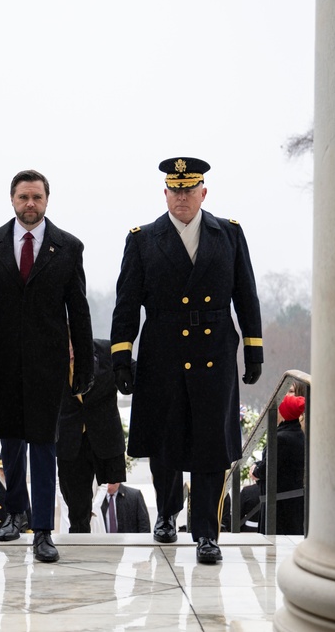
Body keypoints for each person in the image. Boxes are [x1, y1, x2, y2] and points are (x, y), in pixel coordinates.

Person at [110, 157, 263, 565]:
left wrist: (254, 348)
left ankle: (207, 534)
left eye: (189, 189)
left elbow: (245, 295)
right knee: (166, 443)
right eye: (174, 190)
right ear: (165, 194)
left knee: (212, 447)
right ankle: (166, 512)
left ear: (203, 192)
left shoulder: (228, 234)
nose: (181, 197)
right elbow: (127, 304)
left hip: (214, 352)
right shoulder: (143, 239)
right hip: (163, 353)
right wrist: (121, 356)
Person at [0, 169, 94, 563]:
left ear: (47, 200)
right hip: (1, 362)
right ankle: (15, 513)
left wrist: (84, 364)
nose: (30, 204)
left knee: (43, 442)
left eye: (36, 197)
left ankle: (43, 531)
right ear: (12, 200)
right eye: (23, 197)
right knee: (11, 440)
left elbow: (79, 311)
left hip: (47, 364)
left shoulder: (68, 247)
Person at [57, 338, 129, 533]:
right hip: (70, 441)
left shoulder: (106, 351)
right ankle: (79, 547)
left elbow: (134, 372)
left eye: (73, 348)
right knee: (76, 506)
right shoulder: (50, 357)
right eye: (66, 349)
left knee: (114, 494)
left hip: (104, 437)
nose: (70, 354)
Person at [252, 386, 306, 535]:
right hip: (290, 502)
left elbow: (267, 468)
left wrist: (255, 470)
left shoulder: (281, 438)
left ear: (284, 414)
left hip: (279, 505)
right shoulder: (297, 434)